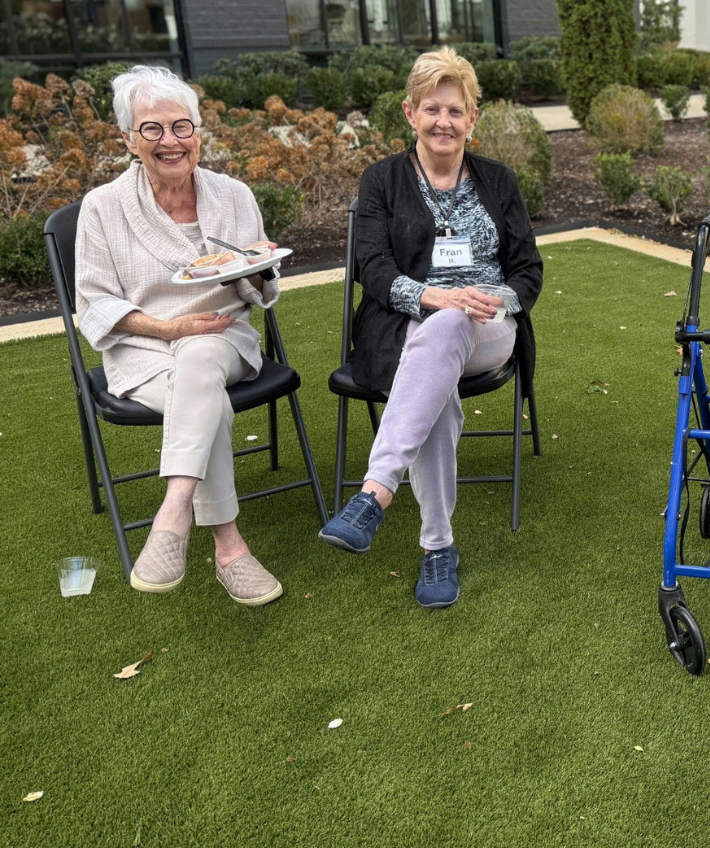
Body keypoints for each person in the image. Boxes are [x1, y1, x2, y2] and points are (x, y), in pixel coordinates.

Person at [318, 47, 542, 608]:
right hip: (401, 327)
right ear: (409, 113)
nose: (444, 121)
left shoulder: (498, 181)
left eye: (456, 110)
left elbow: (528, 269)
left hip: (487, 329)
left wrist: (495, 301)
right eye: (432, 109)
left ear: (472, 120)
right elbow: (371, 268)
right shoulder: (382, 180)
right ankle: (437, 545)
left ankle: (374, 493)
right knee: (436, 364)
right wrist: (433, 297)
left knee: (451, 329)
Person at [74, 65, 284, 605]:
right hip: (143, 350)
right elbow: (94, 305)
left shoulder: (233, 195)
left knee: (202, 353)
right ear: (128, 138)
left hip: (225, 337)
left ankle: (172, 513)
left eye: (181, 127)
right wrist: (168, 327)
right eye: (152, 129)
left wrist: (258, 268)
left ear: (198, 132)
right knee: (199, 385)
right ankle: (229, 548)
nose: (170, 141)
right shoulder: (103, 208)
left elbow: (261, 285)